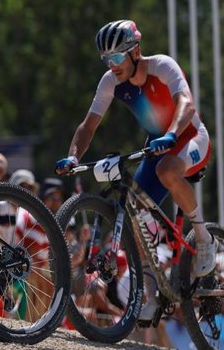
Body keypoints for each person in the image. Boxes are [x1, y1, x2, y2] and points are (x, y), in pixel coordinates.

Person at [55, 19, 215, 320]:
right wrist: (73, 156)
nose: (112, 64)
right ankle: (154, 292)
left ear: (135, 51)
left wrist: (172, 133)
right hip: (158, 143)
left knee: (168, 170)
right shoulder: (110, 81)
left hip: (190, 137)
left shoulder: (162, 66)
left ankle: (204, 237)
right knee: (135, 214)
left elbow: (187, 104)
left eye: (117, 57)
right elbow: (88, 126)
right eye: (106, 58)